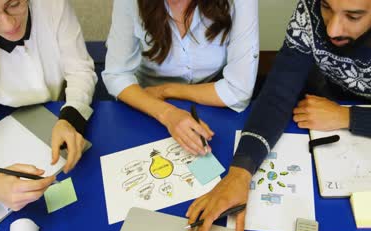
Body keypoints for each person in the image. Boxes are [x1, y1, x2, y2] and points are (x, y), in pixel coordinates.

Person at [187, 0, 371, 231]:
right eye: (327, 8)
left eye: (353, 16)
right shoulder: (311, 8)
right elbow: (278, 94)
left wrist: (346, 117)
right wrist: (240, 173)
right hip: (322, 103)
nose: (332, 29)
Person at [102, 0, 259, 156]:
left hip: (210, 99)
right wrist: (168, 114)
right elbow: (117, 75)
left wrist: (166, 90)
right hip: (146, 101)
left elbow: (238, 89)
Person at [0, 0, 97, 210]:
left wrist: (70, 118)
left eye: (14, 4)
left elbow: (80, 70)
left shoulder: (52, 5)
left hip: (55, 111)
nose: (9, 25)